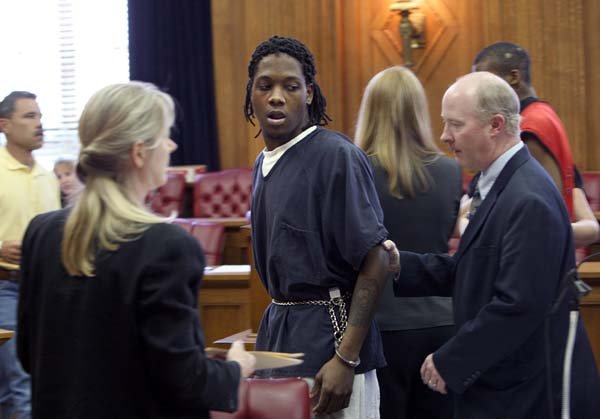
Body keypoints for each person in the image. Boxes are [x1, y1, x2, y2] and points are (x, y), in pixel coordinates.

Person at [17, 82, 255, 419]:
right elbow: (185, 382)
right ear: (139, 152)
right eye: (165, 135)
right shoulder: (168, 247)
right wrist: (235, 369)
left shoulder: (41, 232)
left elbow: (31, 354)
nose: (172, 144)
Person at [394, 72, 598, 418]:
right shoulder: (499, 182)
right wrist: (398, 263)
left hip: (526, 393)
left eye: (455, 125)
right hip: (504, 384)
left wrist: (452, 360)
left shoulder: (528, 197)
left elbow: (518, 304)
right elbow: (472, 269)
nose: (445, 136)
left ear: (496, 124)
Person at [244, 35, 390, 418]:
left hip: (333, 349)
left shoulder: (335, 156)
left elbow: (376, 259)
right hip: (282, 341)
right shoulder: (264, 162)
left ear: (309, 93)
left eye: (290, 86)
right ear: (251, 95)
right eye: (265, 86)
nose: (277, 96)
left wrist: (346, 358)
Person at [355, 66, 459, 419]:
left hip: (382, 327)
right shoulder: (451, 171)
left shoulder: (358, 173)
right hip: (444, 323)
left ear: (371, 111)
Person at [472, 41, 599, 246]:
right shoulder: (544, 114)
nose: (479, 94)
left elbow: (537, 207)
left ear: (514, 77)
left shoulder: (529, 126)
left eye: (486, 83)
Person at [0, 91, 59, 419]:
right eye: (29, 117)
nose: (39, 124)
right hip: (5, 288)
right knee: (20, 385)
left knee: (37, 380)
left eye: (39, 115)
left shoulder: (47, 176)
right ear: (4, 125)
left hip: (47, 288)